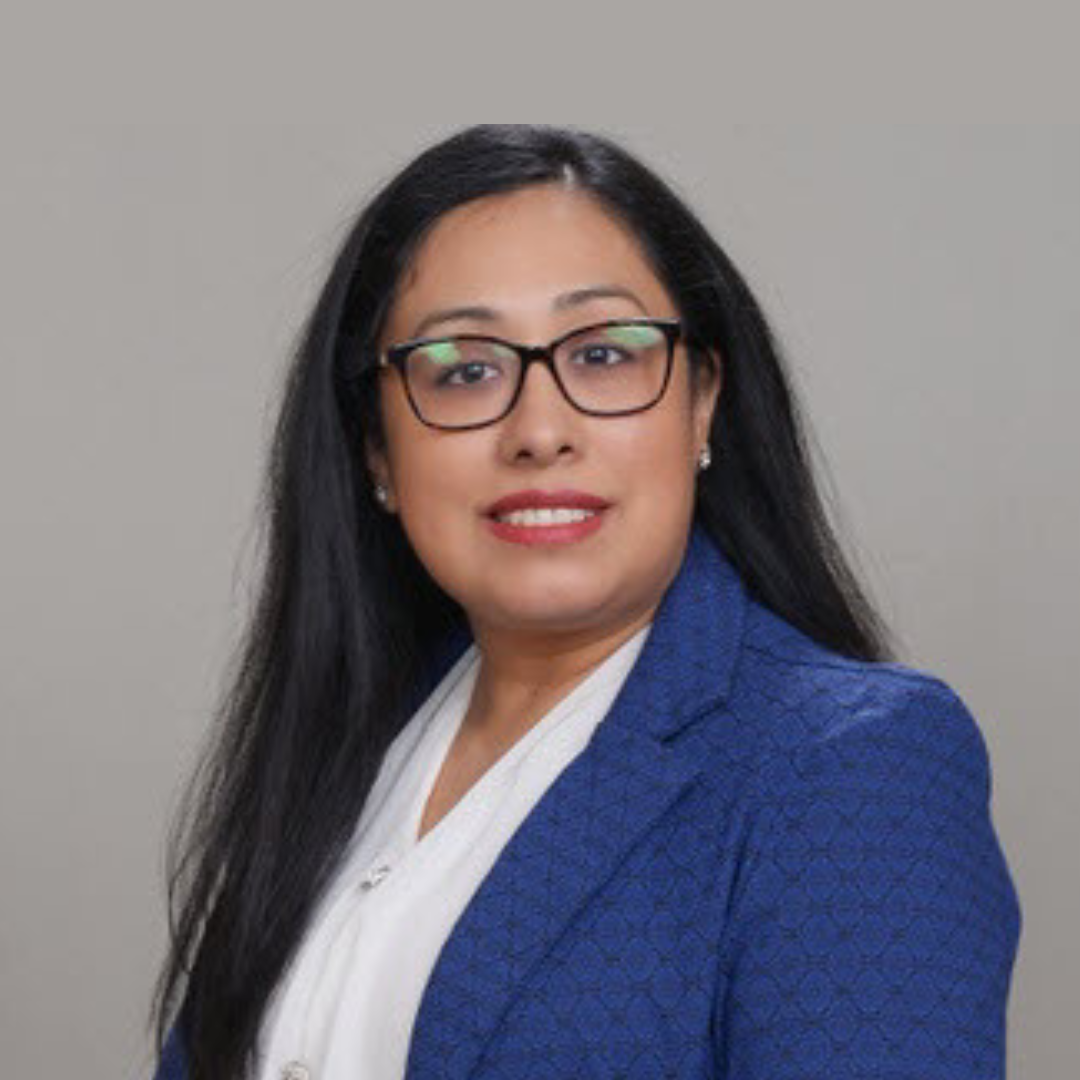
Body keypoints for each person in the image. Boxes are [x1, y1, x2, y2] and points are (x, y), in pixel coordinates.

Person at [149, 124, 1021, 1080]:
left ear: (701, 401)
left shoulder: (848, 766)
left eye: (604, 355)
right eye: (466, 368)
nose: (540, 430)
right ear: (376, 450)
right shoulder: (347, 740)